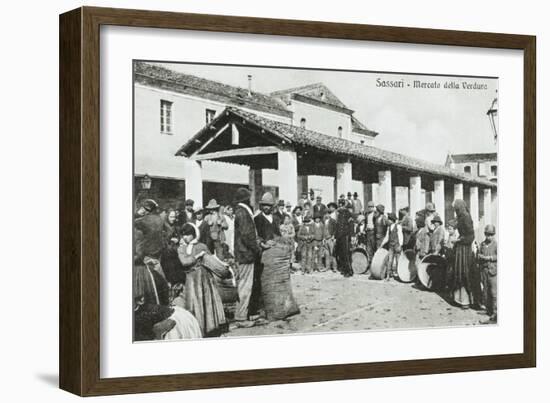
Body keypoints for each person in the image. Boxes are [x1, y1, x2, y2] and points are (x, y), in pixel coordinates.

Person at [177, 223, 227, 337]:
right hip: (191, 278)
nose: (185, 237)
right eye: (183, 235)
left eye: (188, 234)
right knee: (194, 302)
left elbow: (210, 260)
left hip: (204, 277)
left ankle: (209, 328)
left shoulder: (202, 246)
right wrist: (197, 256)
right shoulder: (181, 248)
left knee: (205, 301)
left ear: (194, 234)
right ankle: (197, 328)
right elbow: (184, 262)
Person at [233, 188, 261, 328]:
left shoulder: (240, 211)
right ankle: (241, 318)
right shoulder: (243, 213)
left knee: (244, 285)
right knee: (245, 286)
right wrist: (257, 248)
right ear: (246, 199)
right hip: (246, 255)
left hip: (243, 254)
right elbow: (247, 235)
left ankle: (244, 314)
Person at [252, 192, 281, 319]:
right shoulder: (257, 219)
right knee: (259, 279)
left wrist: (276, 241)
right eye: (264, 205)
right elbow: (255, 236)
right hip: (261, 253)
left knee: (274, 279)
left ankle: (273, 304)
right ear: (261, 206)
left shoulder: (276, 219)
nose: (266, 207)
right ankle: (259, 307)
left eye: (268, 205)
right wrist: (263, 242)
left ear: (272, 206)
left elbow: (278, 234)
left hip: (273, 252)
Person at [449, 199, 481, 309]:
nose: (455, 211)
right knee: (458, 272)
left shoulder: (466, 217)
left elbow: (470, 235)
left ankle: (467, 300)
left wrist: (459, 240)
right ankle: (459, 299)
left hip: (465, 250)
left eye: (456, 209)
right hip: (460, 249)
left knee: (464, 272)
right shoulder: (460, 217)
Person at [134, 199, 169, 280]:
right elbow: (169, 231)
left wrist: (136, 214)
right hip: (158, 253)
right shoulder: (160, 219)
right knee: (158, 277)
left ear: (146, 209)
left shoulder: (143, 220)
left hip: (145, 254)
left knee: (146, 278)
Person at [160, 209, 187, 286]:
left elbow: (179, 236)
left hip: (175, 252)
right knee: (168, 273)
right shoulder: (163, 226)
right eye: (171, 217)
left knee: (177, 273)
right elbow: (161, 239)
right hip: (166, 254)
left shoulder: (176, 226)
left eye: (174, 217)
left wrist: (178, 239)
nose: (173, 219)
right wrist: (169, 239)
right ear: (167, 217)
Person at [478, 224, 498, 324]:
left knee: (493, 292)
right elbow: (479, 254)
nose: (488, 237)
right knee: (485, 291)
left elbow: (498, 256)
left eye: (490, 235)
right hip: (484, 271)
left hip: (492, 271)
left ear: (493, 235)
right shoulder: (482, 244)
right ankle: (488, 310)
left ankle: (495, 312)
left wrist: (489, 258)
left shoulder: (496, 244)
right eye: (487, 234)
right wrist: (480, 256)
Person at [381, 212, 403, 281]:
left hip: (397, 246)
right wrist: (382, 244)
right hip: (390, 246)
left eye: (389, 219)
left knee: (398, 261)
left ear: (392, 220)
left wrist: (400, 245)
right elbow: (387, 237)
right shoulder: (389, 227)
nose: (388, 220)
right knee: (389, 261)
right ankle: (388, 275)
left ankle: (400, 276)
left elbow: (400, 237)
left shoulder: (398, 226)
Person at [335, 199, 354, 277]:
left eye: (342, 204)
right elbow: (337, 226)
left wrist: (352, 235)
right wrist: (336, 236)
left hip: (345, 236)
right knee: (341, 254)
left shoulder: (347, 213)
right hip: (339, 236)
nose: (340, 206)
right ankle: (343, 269)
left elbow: (351, 225)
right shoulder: (339, 214)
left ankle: (349, 271)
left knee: (346, 254)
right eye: (340, 204)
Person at [363, 201, 377, 270]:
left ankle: (375, 266)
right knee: (368, 249)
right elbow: (365, 223)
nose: (370, 208)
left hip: (373, 232)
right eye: (369, 207)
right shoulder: (366, 214)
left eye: (371, 207)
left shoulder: (375, 214)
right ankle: (370, 265)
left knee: (374, 248)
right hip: (368, 232)